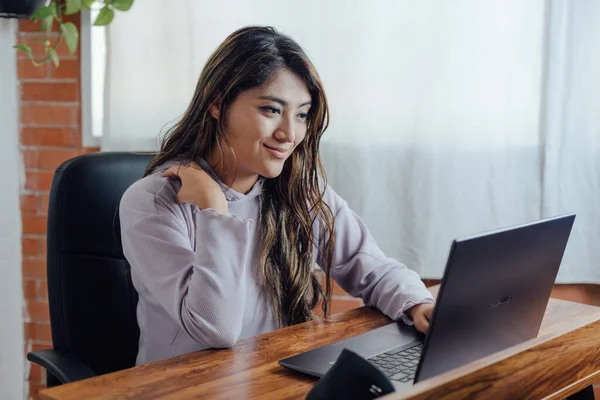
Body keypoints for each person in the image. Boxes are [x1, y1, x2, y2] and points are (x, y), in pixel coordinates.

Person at [119, 25, 435, 366]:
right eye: (271, 109)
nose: (289, 133)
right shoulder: (152, 203)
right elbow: (216, 329)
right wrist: (215, 210)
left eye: (301, 114)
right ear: (216, 103)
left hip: (274, 379)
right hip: (183, 389)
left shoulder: (300, 191)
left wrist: (418, 304)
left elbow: (369, 265)